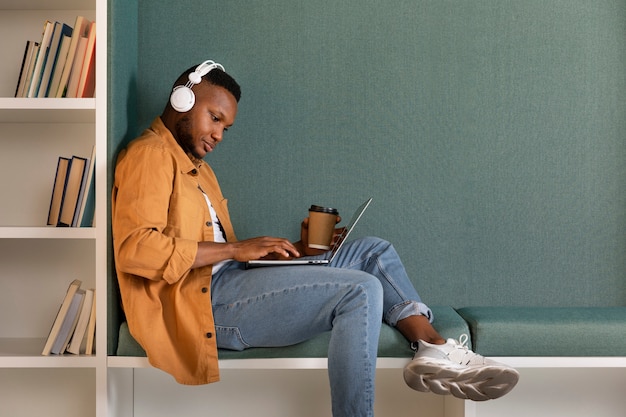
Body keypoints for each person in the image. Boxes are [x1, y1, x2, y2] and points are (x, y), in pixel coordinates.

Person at [111, 60, 519, 417]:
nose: (219, 134)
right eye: (214, 118)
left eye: (225, 127)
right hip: (203, 306)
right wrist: (237, 248)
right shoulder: (149, 156)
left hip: (228, 281)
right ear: (182, 99)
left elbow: (220, 259)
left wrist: (299, 255)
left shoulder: (197, 168)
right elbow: (135, 250)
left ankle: (432, 347)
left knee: (372, 252)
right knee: (360, 291)